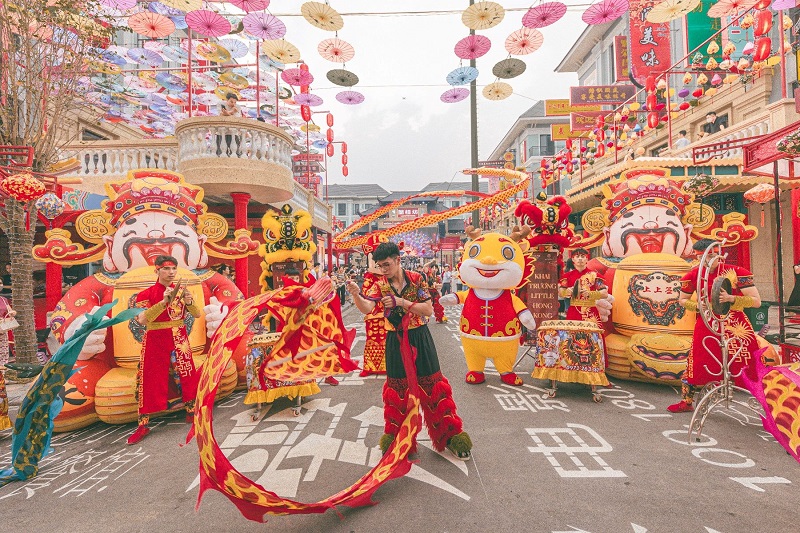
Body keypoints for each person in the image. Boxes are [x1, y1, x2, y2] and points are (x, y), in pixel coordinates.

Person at [346, 242, 472, 460]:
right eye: (380, 266)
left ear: (397, 260)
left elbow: (428, 309)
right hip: (395, 339)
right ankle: (398, 440)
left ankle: (449, 435)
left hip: (420, 336)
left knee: (433, 385)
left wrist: (401, 301)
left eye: (387, 264)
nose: (383, 269)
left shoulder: (416, 279)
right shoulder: (380, 285)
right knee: (398, 389)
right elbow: (368, 308)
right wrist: (357, 295)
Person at [667, 239, 762, 413]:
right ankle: (687, 402)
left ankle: (765, 401)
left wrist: (732, 299)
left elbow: (756, 302)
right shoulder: (693, 274)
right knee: (697, 362)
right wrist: (699, 306)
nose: (706, 260)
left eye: (710, 255)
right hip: (706, 322)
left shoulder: (737, 272)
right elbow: (682, 300)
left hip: (734, 325)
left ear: (717, 254)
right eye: (701, 257)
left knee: (747, 365)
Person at [127, 255, 203, 445]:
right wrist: (163, 302)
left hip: (179, 337)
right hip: (155, 339)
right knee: (150, 378)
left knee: (185, 374)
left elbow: (197, 314)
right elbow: (142, 320)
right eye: (166, 269)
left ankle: (191, 412)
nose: (170, 273)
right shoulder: (147, 294)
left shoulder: (182, 291)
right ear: (157, 270)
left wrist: (190, 302)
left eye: (173, 269)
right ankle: (143, 424)